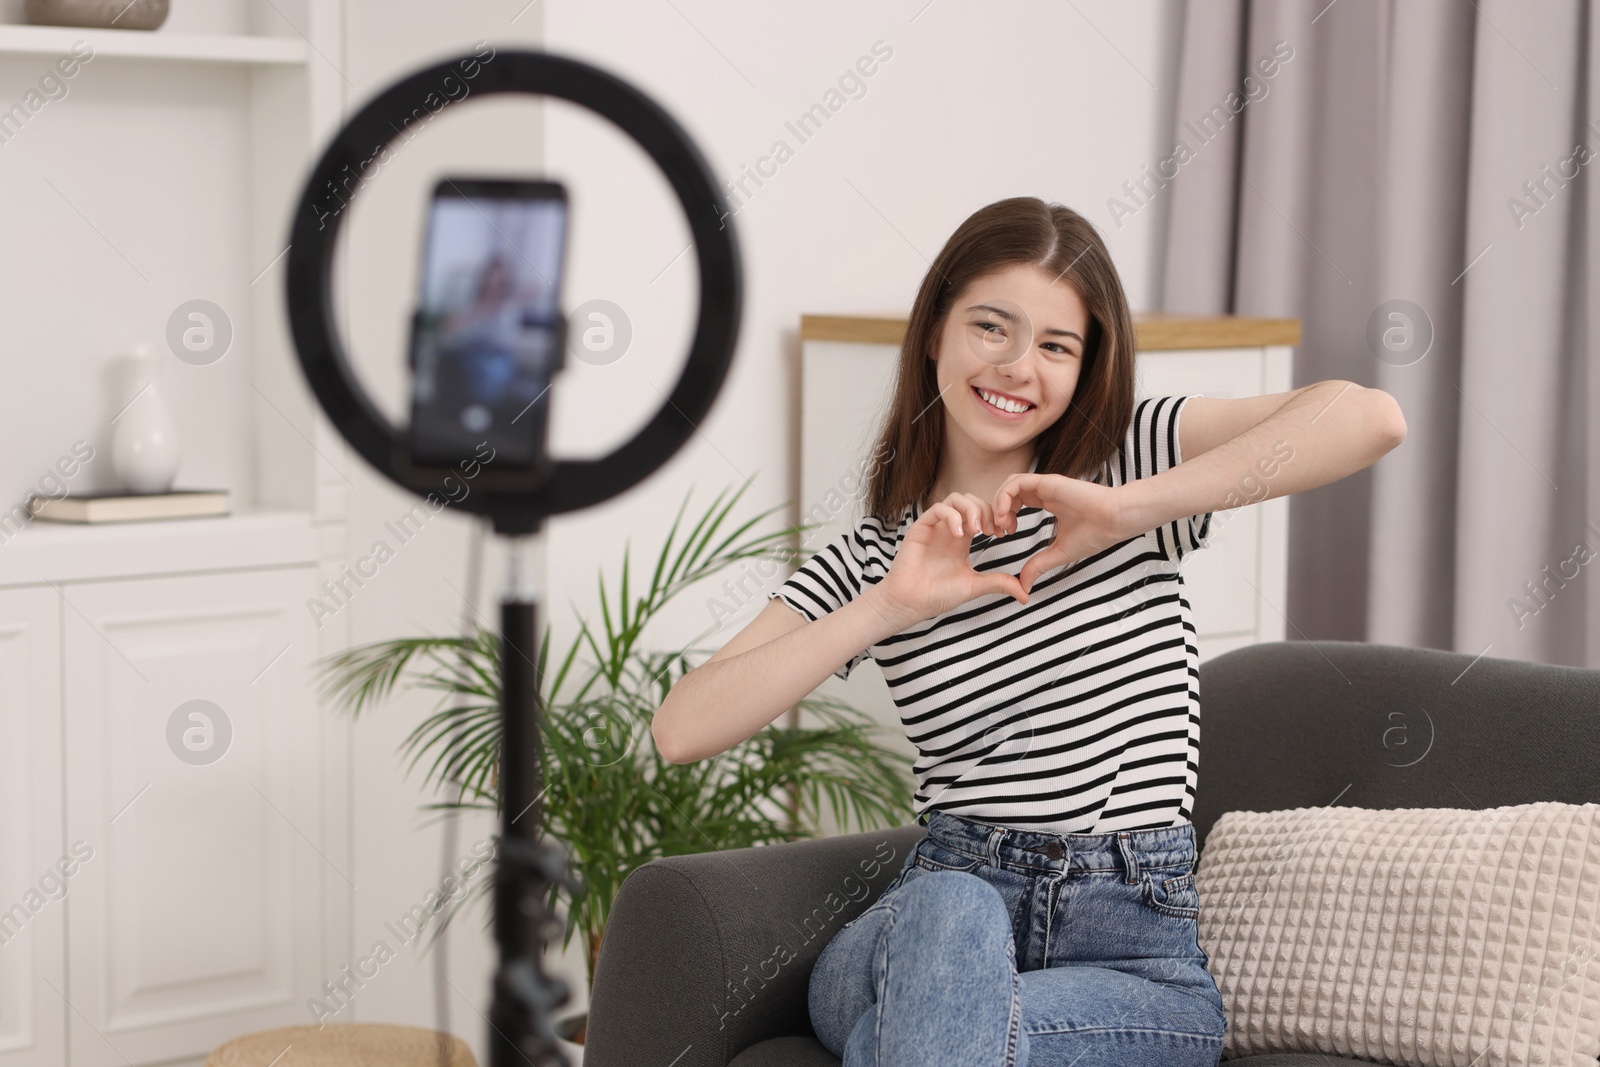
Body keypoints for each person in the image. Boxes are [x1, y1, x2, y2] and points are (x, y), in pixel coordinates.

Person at [650, 196, 1407, 1066]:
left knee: (928, 1035)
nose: (1017, 366)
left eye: (1056, 345)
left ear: (1086, 369)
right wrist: (890, 607)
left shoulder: (1130, 464)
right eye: (991, 327)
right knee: (955, 910)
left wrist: (1126, 509)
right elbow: (682, 727)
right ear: (935, 331)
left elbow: (1368, 417)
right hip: (936, 908)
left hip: (1132, 956)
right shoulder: (874, 559)